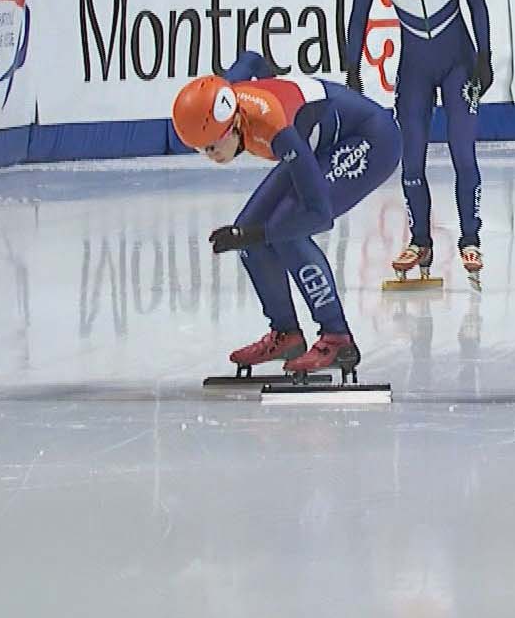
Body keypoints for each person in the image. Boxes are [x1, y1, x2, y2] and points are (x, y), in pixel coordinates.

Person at [171, 50, 400, 379]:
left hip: (371, 139)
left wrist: (254, 236)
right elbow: (250, 59)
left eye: (211, 147)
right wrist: (274, 79)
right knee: (249, 229)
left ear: (233, 124)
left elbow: (318, 214)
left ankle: (337, 338)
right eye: (200, 150)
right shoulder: (225, 93)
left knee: (286, 231)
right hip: (319, 142)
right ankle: (286, 334)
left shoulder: (276, 128)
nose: (210, 156)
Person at [342, 0, 494, 284]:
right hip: (414, 70)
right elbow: (357, 17)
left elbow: (477, 2)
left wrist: (485, 56)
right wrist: (352, 69)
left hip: (457, 63)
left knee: (464, 153)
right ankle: (420, 239)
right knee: (411, 162)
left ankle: (471, 238)